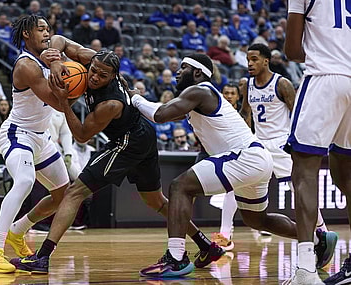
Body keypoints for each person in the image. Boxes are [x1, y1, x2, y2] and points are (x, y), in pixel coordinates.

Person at [9, 37, 224, 273]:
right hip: (143, 134)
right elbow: (59, 40)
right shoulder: (92, 59)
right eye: (94, 71)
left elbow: (81, 135)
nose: (94, 77)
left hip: (128, 141)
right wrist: (56, 62)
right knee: (156, 201)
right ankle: (206, 245)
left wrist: (64, 102)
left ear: (113, 77)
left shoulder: (110, 103)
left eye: (102, 75)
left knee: (74, 192)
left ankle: (43, 257)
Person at [126, 53, 334, 278]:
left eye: (183, 67)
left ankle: (175, 258)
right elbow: (164, 109)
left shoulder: (199, 90)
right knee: (256, 219)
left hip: (245, 157)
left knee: (180, 186)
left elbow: (159, 115)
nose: (177, 71)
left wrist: (135, 98)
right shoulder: (197, 98)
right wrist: (141, 101)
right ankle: (317, 239)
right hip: (257, 159)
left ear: (197, 73)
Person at [213, 43, 331, 250]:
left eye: (254, 59)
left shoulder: (282, 83)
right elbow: (246, 113)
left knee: (300, 189)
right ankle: (225, 236)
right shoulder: (246, 85)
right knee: (235, 184)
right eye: (248, 59)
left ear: (266, 61)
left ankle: (323, 231)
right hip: (258, 144)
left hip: (281, 143)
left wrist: (298, 143)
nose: (250, 63)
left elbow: (297, 114)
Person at [0, 15, 73, 273]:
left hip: (41, 137)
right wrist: (81, 88)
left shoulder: (48, 51)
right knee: (24, 181)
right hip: (17, 133)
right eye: (40, 29)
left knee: (63, 195)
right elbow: (58, 104)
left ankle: (17, 231)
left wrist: (58, 62)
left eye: (48, 29)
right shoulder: (26, 65)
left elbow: (60, 41)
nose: (46, 33)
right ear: (26, 35)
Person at [284, 1, 351, 284]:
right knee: (347, 176)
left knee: (304, 171)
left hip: (324, 77)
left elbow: (292, 49)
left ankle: (305, 269)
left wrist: (325, 51)